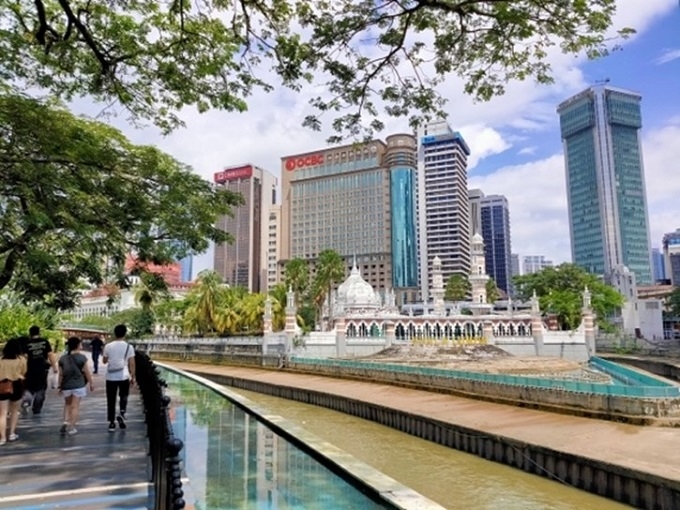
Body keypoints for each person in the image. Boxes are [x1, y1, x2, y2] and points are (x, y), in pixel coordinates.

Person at [58, 337, 94, 436]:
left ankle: (65, 421)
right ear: (78, 345)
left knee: (67, 404)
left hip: (66, 385)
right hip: (78, 385)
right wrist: (91, 383)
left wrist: (59, 386)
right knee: (75, 407)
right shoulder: (82, 357)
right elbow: (86, 372)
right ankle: (72, 427)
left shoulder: (62, 358)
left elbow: (61, 374)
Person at [103, 324, 135, 432]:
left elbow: (104, 361)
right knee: (124, 396)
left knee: (111, 399)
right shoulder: (129, 347)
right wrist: (133, 376)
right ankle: (121, 413)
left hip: (111, 376)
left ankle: (112, 423)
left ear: (115, 333)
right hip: (124, 376)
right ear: (125, 333)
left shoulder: (108, 346)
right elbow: (132, 363)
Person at [23, 326, 58, 414]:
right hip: (42, 369)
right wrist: (54, 367)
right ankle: (37, 408)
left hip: (29, 369)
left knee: (28, 386)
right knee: (41, 388)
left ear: (30, 333)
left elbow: (25, 357)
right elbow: (50, 354)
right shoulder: (44, 342)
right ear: (39, 333)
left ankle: (26, 400)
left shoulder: (27, 343)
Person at [0, 338, 28, 445]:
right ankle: (12, 434)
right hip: (16, 385)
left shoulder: (1, 360)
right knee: (14, 411)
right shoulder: (21, 359)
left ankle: (2, 438)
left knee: (2, 413)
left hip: (2, 385)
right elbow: (24, 371)